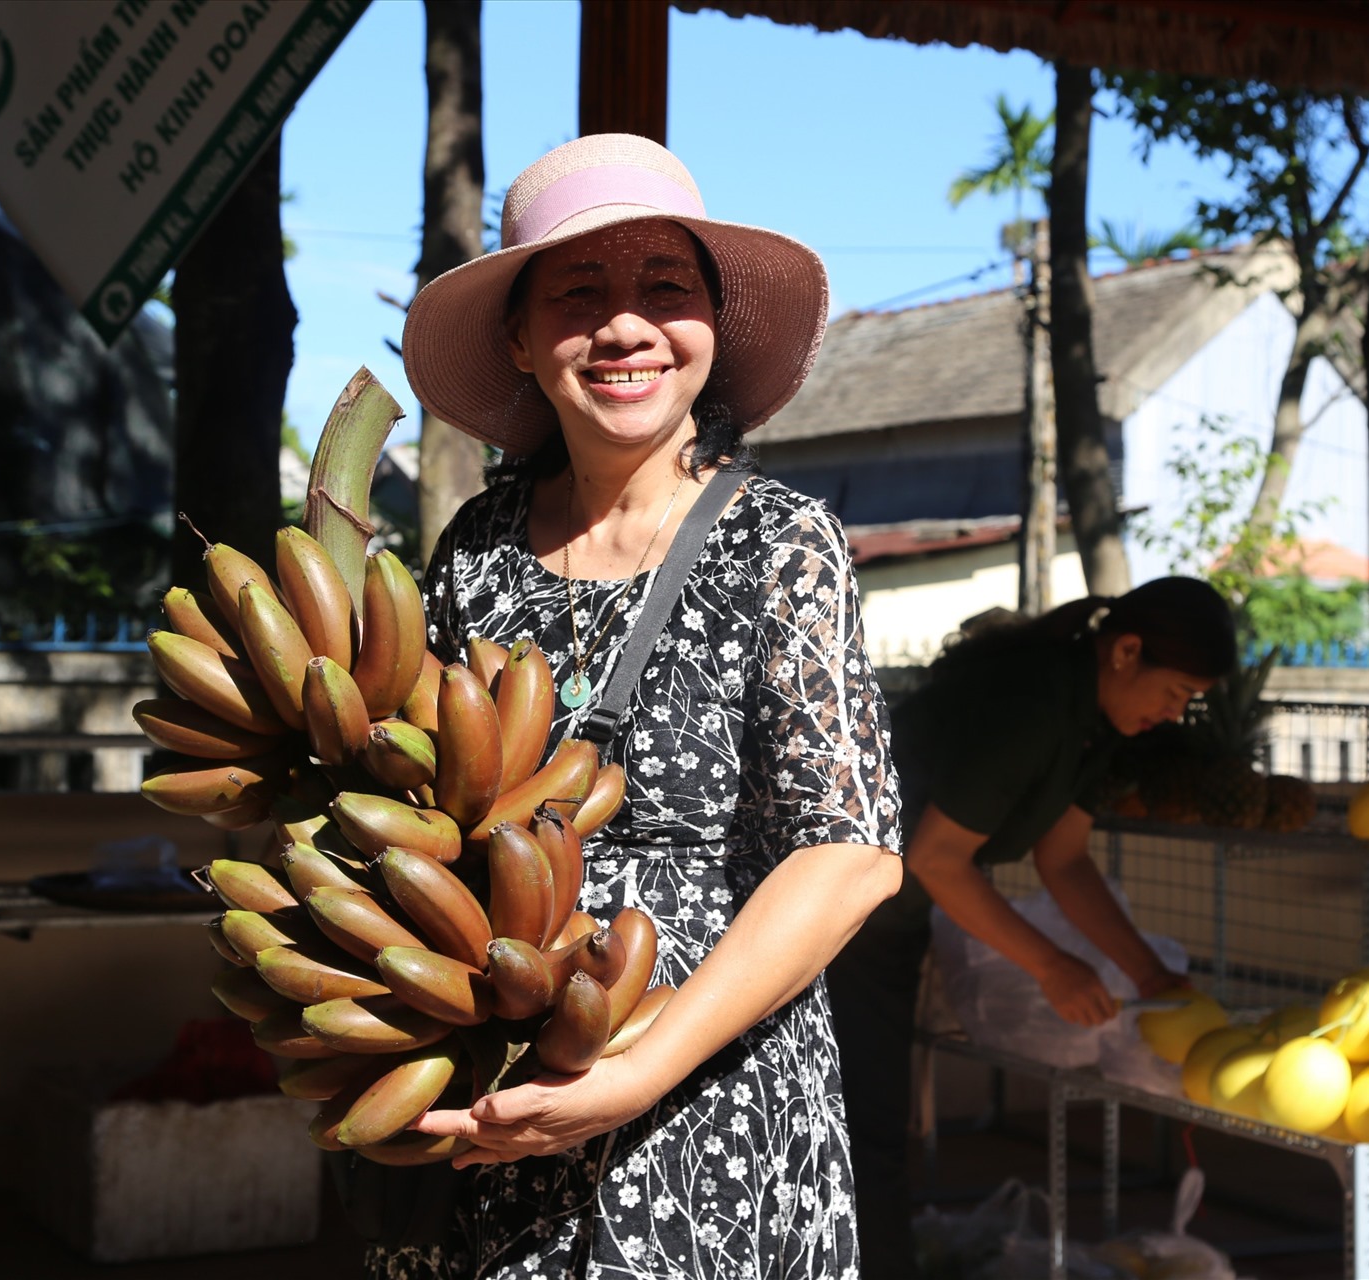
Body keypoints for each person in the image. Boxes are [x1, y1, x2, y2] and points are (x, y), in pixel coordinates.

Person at [368, 134, 904, 1279]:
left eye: (665, 288)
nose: (626, 326)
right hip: (509, 1066)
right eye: (577, 293)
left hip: (711, 1082)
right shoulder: (477, 548)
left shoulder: (780, 541)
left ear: (712, 323)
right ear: (519, 338)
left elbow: (852, 855)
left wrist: (636, 1074)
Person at [827, 578, 1237, 1280]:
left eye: (1189, 703)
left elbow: (1065, 860)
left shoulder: (1094, 723)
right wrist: (1053, 967)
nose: (1175, 713)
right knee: (864, 1132)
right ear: (1126, 650)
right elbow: (937, 859)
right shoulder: (1035, 702)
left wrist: (1146, 973)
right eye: (1176, 692)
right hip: (835, 918)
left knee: (874, 1127)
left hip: (886, 921)